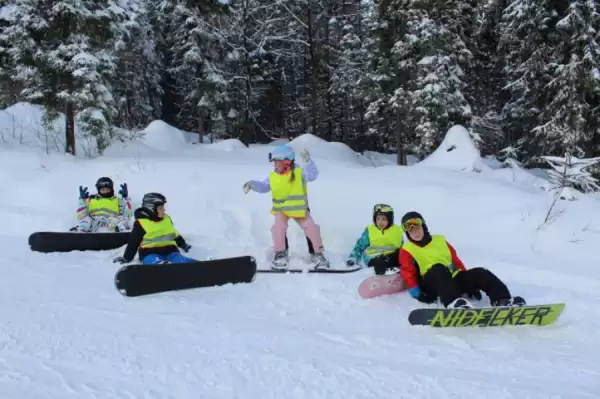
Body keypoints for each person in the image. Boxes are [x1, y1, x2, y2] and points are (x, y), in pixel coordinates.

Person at [397, 211, 526, 309]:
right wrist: (417, 293)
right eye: (410, 230)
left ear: (423, 226)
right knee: (438, 269)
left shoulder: (440, 240)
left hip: (452, 278)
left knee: (480, 272)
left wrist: (469, 284)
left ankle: (502, 300)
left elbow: (455, 261)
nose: (415, 233)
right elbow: (407, 272)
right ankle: (453, 303)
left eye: (417, 227)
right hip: (431, 284)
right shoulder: (407, 250)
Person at [243, 145, 328, 269]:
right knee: (278, 228)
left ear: (286, 161)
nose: (274, 164)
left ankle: (317, 254)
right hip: (282, 210)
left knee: (312, 228)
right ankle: (280, 254)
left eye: (276, 161)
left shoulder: (299, 172)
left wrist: (308, 162)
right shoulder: (273, 176)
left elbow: (312, 175)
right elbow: (264, 186)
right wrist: (253, 184)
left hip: (299, 210)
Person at [113, 192, 194, 265]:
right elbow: (133, 242)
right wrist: (127, 257)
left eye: (163, 207)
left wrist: (183, 244)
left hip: (171, 251)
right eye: (160, 208)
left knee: (182, 260)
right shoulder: (141, 223)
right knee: (154, 262)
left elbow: (174, 234)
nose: (164, 210)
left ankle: (198, 267)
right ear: (151, 209)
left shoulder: (167, 219)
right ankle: (162, 267)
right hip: (149, 253)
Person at [346, 204, 404, 274]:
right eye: (378, 219)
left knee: (401, 255)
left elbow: (401, 246)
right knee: (380, 261)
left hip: (391, 256)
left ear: (390, 219)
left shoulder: (397, 231)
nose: (380, 222)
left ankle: (401, 269)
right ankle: (384, 270)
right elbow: (359, 246)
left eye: (383, 219)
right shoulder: (370, 231)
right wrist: (353, 258)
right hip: (373, 257)